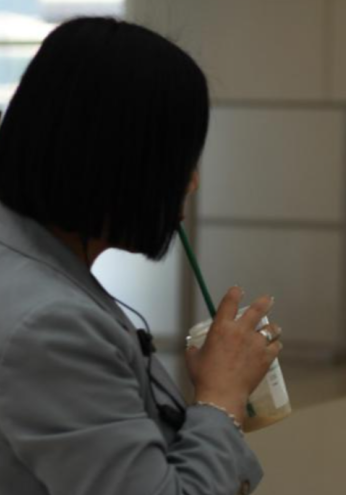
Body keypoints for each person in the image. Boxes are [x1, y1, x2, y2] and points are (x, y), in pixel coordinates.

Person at [0, 18, 281, 494]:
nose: (191, 181)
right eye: (179, 158)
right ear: (119, 159)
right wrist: (221, 397)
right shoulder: (51, 326)